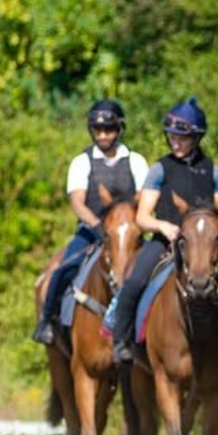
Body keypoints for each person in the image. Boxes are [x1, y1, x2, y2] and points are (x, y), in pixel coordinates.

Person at [110, 97, 218, 369]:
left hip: (203, 245)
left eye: (182, 137)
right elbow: (142, 216)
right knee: (134, 283)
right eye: (172, 137)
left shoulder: (214, 171)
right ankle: (123, 343)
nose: (175, 142)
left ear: (196, 138)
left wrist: (212, 226)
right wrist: (164, 226)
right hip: (164, 242)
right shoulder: (159, 169)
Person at [32, 99, 149, 346]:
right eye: (98, 130)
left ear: (119, 130)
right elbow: (77, 202)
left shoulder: (136, 161)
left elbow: (144, 200)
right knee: (64, 267)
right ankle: (46, 322)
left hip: (128, 232)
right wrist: (97, 225)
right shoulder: (82, 162)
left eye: (109, 130)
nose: (104, 135)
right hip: (92, 230)